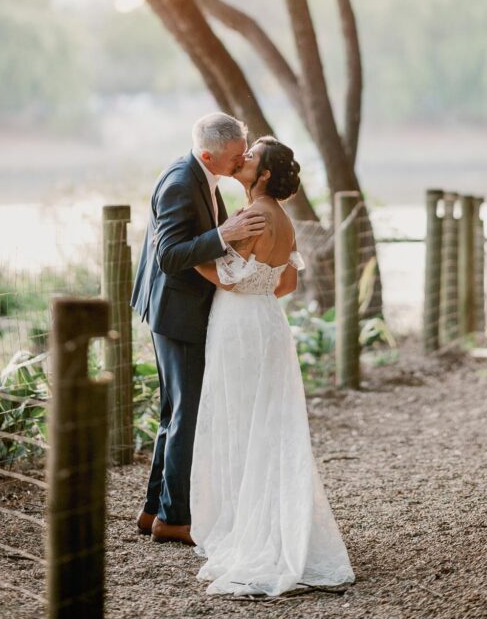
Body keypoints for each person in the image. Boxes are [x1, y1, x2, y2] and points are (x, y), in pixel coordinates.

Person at [189, 136, 355, 596]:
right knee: (267, 424)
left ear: (263, 175)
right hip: (266, 320)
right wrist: (251, 289)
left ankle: (257, 533)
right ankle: (268, 522)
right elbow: (285, 283)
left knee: (245, 424)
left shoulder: (254, 215)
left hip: (241, 323)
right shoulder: (283, 218)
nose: (242, 160)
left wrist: (186, 260)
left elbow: (231, 278)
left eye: (251, 157)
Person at [130, 112, 267, 545]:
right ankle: (174, 518)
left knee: (175, 412)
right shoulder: (178, 184)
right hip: (177, 313)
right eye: (236, 154)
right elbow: (169, 256)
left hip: (175, 308)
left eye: (244, 149)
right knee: (186, 415)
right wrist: (224, 234)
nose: (242, 158)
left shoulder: (201, 174)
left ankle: (154, 509)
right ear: (208, 154)